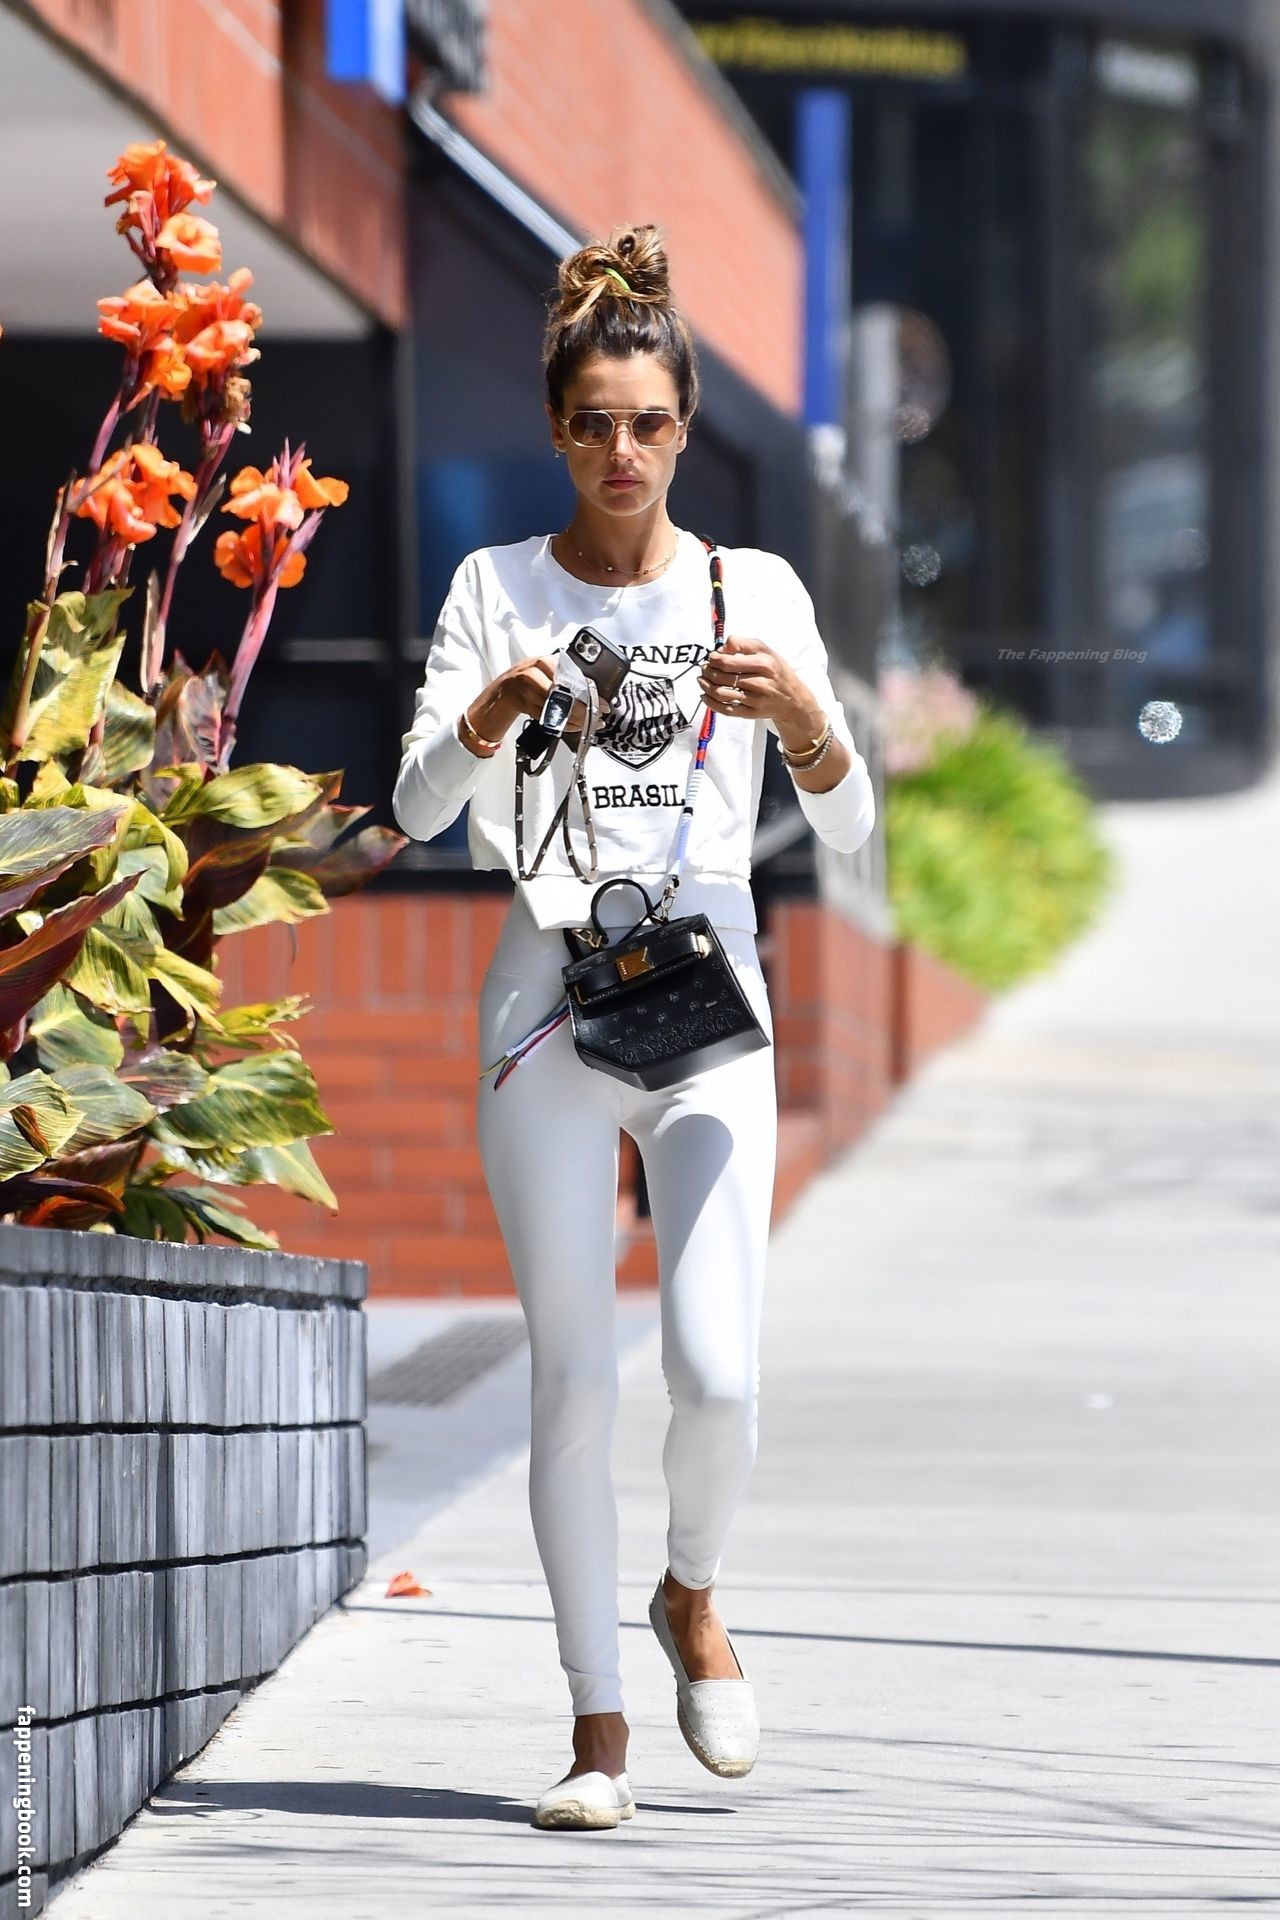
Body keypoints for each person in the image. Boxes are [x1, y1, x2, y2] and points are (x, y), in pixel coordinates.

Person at [392, 224, 877, 1831]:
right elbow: (416, 807)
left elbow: (854, 827)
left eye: (650, 424)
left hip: (702, 994)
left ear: (684, 431)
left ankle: (691, 1591)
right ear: (557, 428)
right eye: (594, 423)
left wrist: (802, 720)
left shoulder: (757, 588)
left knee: (716, 1371)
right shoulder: (494, 587)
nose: (623, 451)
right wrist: (487, 712)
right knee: (571, 1380)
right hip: (545, 993)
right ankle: (596, 1730)